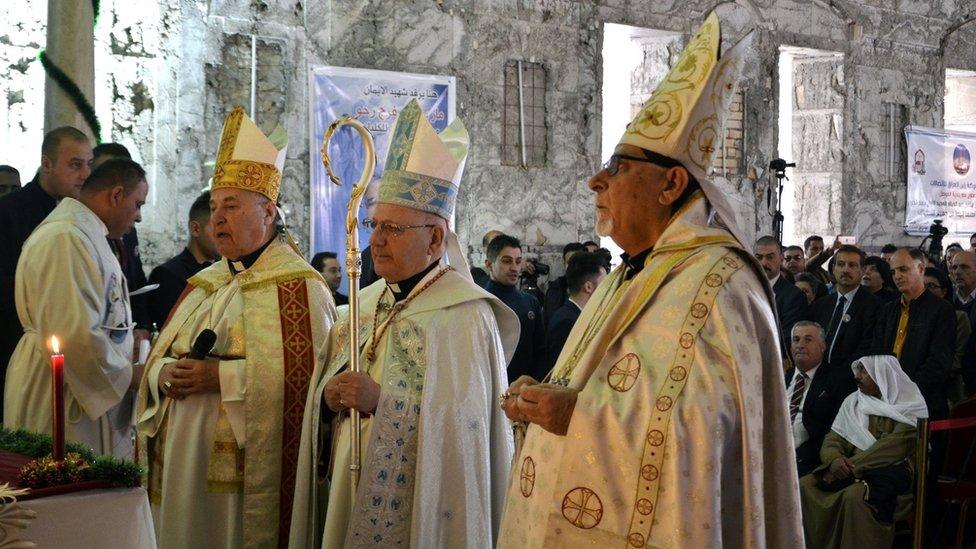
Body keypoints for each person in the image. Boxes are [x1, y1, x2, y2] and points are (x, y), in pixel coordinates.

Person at [497, 15, 802, 547]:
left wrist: (577, 413)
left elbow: (709, 437)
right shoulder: (631, 271)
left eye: (616, 167)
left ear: (672, 185)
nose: (596, 180)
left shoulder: (722, 284)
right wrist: (546, 396)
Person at [290, 99, 519, 548]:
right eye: (374, 225)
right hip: (346, 488)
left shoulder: (467, 315)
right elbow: (324, 395)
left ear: (435, 238)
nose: (375, 240)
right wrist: (327, 398)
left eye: (392, 229)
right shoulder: (361, 302)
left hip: (423, 513)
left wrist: (383, 402)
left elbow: (468, 433)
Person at [136, 107, 335, 548]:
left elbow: (308, 387)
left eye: (231, 206)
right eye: (213, 208)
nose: (217, 219)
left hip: (241, 483)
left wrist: (218, 377)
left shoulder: (301, 289)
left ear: (268, 213)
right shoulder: (204, 284)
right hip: (181, 460)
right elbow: (156, 360)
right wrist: (163, 373)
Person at [4, 158, 146, 457]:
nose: (139, 217)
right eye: (138, 204)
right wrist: (129, 375)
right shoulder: (65, 238)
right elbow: (70, 332)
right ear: (116, 195)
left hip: (79, 382)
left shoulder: (85, 234)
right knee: (64, 494)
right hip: (60, 388)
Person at [0, 126, 91, 421]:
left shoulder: (81, 214)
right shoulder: (9, 211)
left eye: (89, 165)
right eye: (75, 165)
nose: (84, 175)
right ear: (47, 164)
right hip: (19, 341)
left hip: (67, 345)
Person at [799, 356, 927, 548]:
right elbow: (833, 439)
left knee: (854, 496)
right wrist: (834, 460)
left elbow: (891, 449)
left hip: (890, 472)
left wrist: (851, 467)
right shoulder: (853, 402)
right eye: (857, 371)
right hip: (847, 468)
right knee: (805, 485)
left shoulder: (909, 404)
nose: (857, 376)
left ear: (882, 374)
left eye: (864, 371)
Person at [873, 248, 955, 419]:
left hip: (922, 403)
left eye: (903, 269)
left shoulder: (941, 310)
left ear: (921, 268)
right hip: (886, 398)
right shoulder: (888, 310)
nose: (897, 276)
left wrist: (906, 392)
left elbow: (938, 363)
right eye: (893, 271)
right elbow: (877, 351)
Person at [91, 143, 152, 343]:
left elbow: (136, 279)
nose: (139, 217)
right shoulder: (74, 235)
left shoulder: (124, 228)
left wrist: (141, 326)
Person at [147, 191, 220, 329]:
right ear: (195, 228)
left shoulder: (227, 271)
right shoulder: (166, 275)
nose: (222, 236)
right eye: (216, 228)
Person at [809, 245, 880, 384]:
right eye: (841, 264)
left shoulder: (874, 307)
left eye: (852, 265)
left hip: (850, 381)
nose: (846, 269)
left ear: (862, 270)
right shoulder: (821, 304)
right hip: (816, 378)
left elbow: (867, 348)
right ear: (834, 268)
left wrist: (837, 378)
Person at [788, 321, 851, 476]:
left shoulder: (837, 380)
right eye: (796, 340)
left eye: (808, 339)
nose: (800, 345)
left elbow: (833, 430)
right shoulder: (778, 377)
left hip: (805, 459)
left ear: (823, 346)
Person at [486, 234, 547, 382]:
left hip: (524, 390)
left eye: (518, 262)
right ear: (489, 264)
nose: (514, 268)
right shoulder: (481, 302)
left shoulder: (530, 302)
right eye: (507, 261)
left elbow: (540, 350)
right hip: (491, 388)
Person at [544, 251, 607, 372]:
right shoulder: (567, 322)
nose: (608, 290)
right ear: (588, 287)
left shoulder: (575, 315)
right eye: (604, 284)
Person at [924, 266, 972, 402]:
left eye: (931, 286)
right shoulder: (908, 316)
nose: (925, 291)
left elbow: (958, 359)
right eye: (922, 286)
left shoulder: (959, 318)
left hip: (945, 390)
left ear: (944, 291)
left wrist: (924, 373)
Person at [755, 234, 808, 355]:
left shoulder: (794, 296)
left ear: (780, 258)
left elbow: (786, 338)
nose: (764, 263)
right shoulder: (744, 290)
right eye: (759, 257)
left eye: (770, 257)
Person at [542, 242, 586, 321]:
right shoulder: (554, 291)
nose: (574, 267)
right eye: (570, 262)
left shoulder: (593, 289)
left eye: (578, 262)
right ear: (564, 263)